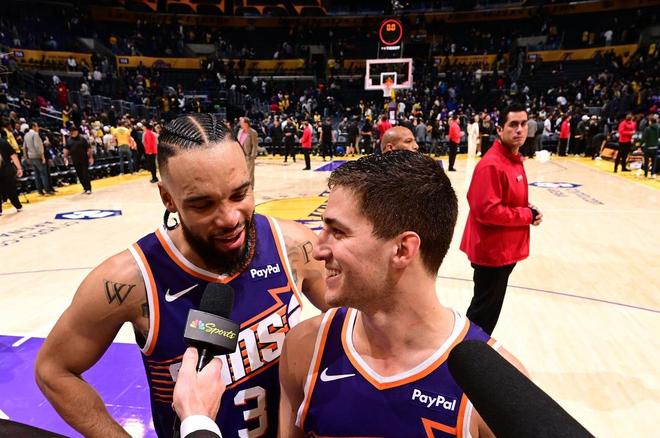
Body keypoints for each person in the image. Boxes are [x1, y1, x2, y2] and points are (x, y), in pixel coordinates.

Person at [35, 114, 328, 438]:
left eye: (239, 194)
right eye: (203, 205)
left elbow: (359, 323)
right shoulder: (131, 280)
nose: (230, 218)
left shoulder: (292, 245)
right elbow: (53, 369)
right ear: (168, 198)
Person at [278, 151, 528, 437]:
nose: (319, 250)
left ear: (402, 250)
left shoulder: (497, 389)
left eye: (338, 232)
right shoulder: (305, 346)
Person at [460, 103, 543, 335]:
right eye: (513, 124)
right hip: (492, 252)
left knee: (486, 311)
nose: (520, 129)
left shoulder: (512, 159)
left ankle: (470, 349)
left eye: (523, 124)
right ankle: (466, 351)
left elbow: (505, 198)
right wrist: (526, 215)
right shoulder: (492, 164)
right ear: (499, 129)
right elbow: (487, 211)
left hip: (503, 250)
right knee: (483, 314)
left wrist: (528, 208)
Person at [23, 122, 54, 195]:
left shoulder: (26, 135)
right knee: (43, 174)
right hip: (37, 156)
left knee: (37, 174)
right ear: (33, 127)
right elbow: (38, 147)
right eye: (37, 126)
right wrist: (42, 157)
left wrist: (26, 157)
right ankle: (47, 190)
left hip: (31, 157)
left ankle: (40, 191)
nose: (38, 128)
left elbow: (24, 147)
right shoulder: (35, 134)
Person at [0, 129, 24, 215]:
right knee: (11, 189)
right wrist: (19, 168)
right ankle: (18, 206)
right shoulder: (4, 142)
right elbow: (13, 156)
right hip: (7, 170)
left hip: (5, 169)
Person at [63, 126, 93, 195]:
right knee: (80, 175)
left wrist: (91, 157)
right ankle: (85, 188)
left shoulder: (82, 139)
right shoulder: (69, 140)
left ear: (77, 131)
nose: (72, 133)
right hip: (75, 160)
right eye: (71, 132)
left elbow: (88, 148)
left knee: (85, 174)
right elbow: (66, 149)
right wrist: (65, 157)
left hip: (84, 159)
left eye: (73, 131)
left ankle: (88, 188)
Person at [237, 117, 258, 188]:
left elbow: (255, 145)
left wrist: (252, 156)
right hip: (240, 156)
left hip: (248, 156)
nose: (240, 123)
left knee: (250, 173)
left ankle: (250, 188)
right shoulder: (240, 131)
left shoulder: (253, 132)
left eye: (242, 122)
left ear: (246, 124)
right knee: (242, 172)